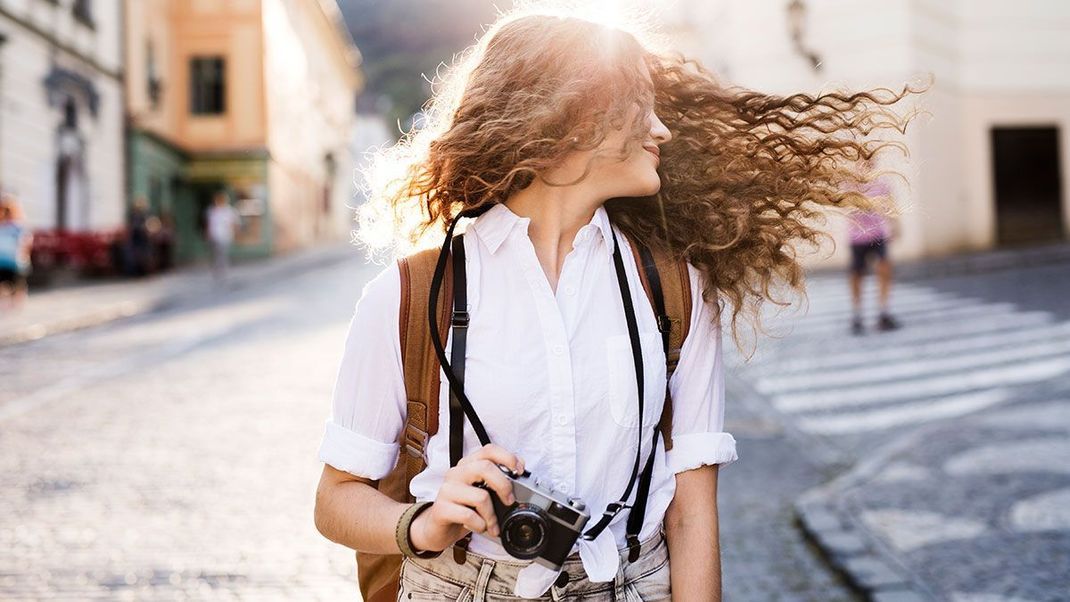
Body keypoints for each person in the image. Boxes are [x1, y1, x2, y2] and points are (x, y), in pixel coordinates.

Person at [313, 8, 921, 601]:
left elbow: (691, 511)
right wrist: (423, 522)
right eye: (641, 107)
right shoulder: (409, 294)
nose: (661, 129)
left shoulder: (676, 286)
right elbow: (335, 500)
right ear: (574, 117)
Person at [845, 158, 901, 335]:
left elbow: (890, 205)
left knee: (884, 270)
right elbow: (846, 206)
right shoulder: (850, 184)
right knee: (857, 275)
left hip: (878, 235)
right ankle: (857, 315)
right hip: (857, 237)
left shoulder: (882, 182)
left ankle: (884, 313)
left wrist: (895, 226)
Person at [0, 194, 33, 311]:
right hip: (2, 261)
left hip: (14, 260)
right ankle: (7, 305)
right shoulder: (1, 226)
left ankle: (16, 305)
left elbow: (26, 241)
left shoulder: (17, 226)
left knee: (17, 284)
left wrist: (23, 254)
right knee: (3, 284)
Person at [205, 191, 240, 285]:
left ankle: (222, 269)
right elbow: (209, 223)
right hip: (215, 235)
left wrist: (235, 233)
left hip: (225, 235)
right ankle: (217, 268)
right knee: (217, 253)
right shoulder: (212, 211)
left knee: (222, 253)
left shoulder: (229, 211)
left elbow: (234, 223)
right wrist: (208, 233)